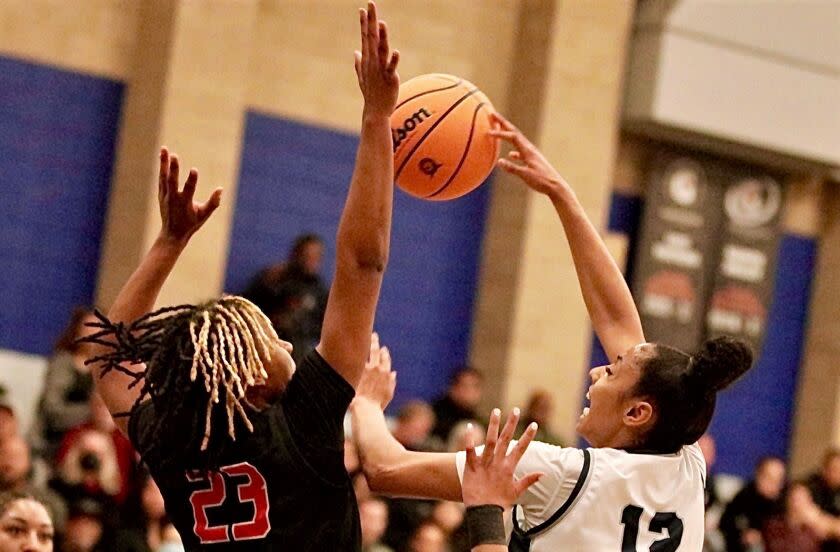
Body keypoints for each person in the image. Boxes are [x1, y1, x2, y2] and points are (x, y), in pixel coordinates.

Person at [351, 111, 754, 551]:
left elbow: (385, 468)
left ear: (637, 413)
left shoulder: (561, 473)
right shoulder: (686, 463)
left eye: (614, 371)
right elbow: (617, 320)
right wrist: (562, 197)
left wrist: (367, 401)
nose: (597, 371)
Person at [83, 2, 400, 549]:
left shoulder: (176, 441)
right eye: (270, 338)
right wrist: (377, 120)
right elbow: (361, 263)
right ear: (252, 380)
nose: (284, 341)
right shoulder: (302, 420)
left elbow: (109, 356)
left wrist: (168, 243)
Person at [241, 234, 328, 363]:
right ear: (297, 255)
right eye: (307, 256)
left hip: (301, 352)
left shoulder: (319, 291)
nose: (311, 261)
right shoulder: (275, 280)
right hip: (269, 346)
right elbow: (246, 308)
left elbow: (323, 328)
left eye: (316, 257)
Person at [30, 308, 98, 462]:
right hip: (53, 442)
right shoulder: (63, 363)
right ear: (77, 330)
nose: (94, 333)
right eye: (90, 327)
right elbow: (52, 410)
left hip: (86, 443)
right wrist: (90, 413)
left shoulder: (102, 369)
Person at [719, 456, 786, 552]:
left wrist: (762, 536)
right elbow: (726, 523)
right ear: (759, 475)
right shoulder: (744, 497)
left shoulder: (784, 503)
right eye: (770, 477)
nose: (774, 484)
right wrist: (743, 535)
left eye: (779, 479)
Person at [431, 367, 483, 442]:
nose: (470, 392)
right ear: (453, 388)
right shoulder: (434, 418)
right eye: (465, 386)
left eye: (475, 387)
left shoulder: (477, 421)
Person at [807, 450, 840, 552]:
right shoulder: (810, 486)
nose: (837, 474)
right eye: (834, 469)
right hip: (811, 542)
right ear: (824, 469)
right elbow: (809, 518)